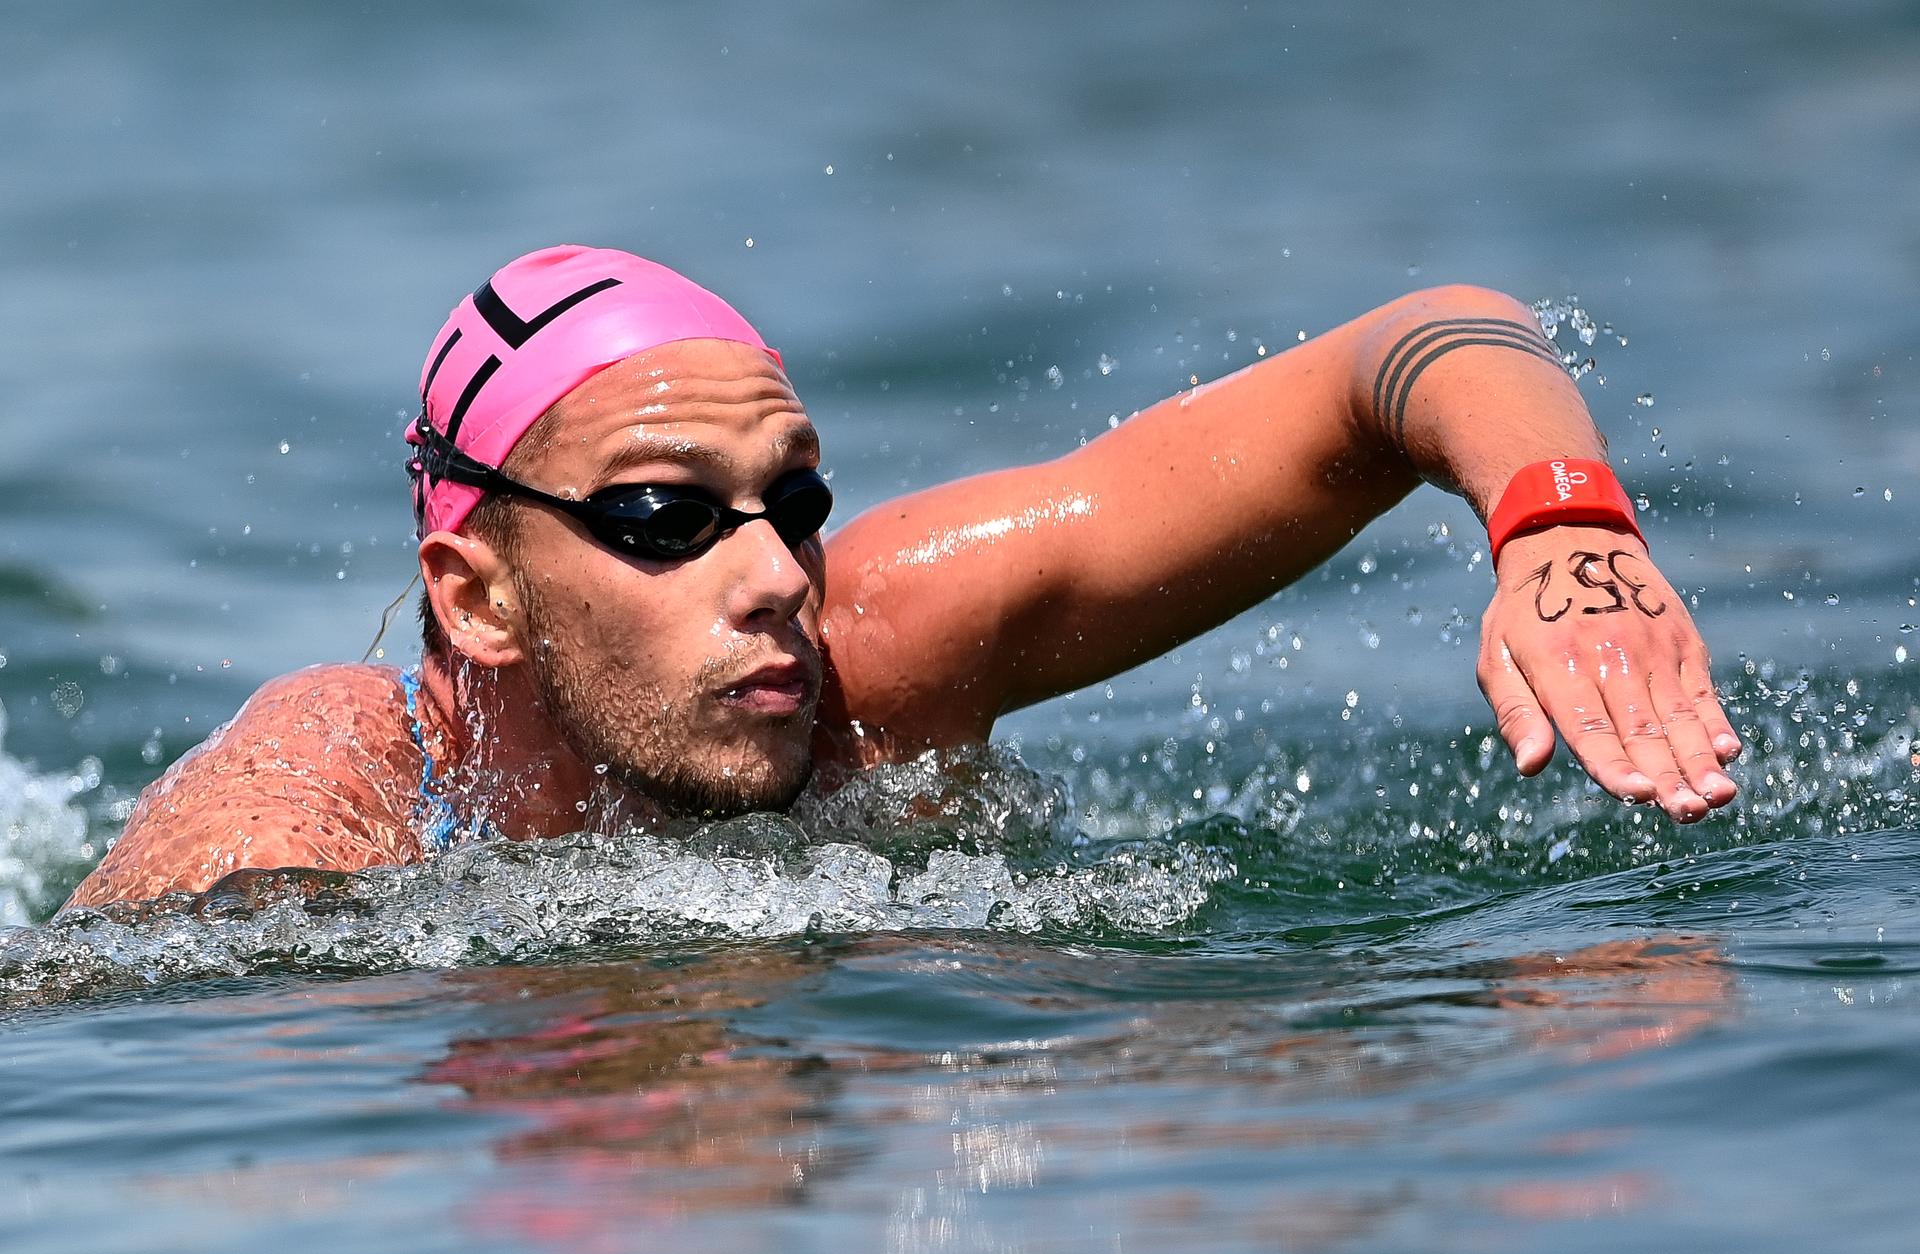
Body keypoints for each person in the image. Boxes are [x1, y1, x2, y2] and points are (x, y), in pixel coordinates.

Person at [64, 245, 1742, 909]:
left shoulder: (883, 657)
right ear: (479, 596)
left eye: (790, 504)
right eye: (662, 516)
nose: (771, 574)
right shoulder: (320, 798)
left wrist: (1563, 531)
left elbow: (1424, 346)